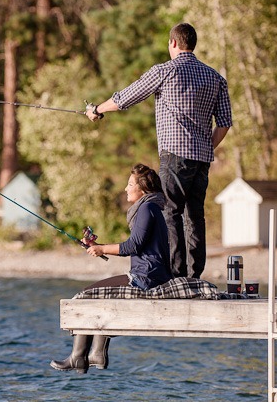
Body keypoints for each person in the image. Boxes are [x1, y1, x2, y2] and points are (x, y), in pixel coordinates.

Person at [85, 22, 232, 280]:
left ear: (173, 43)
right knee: (195, 217)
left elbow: (126, 98)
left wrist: (97, 109)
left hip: (174, 155)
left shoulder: (165, 71)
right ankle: (193, 276)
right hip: (202, 159)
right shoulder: (216, 78)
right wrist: (206, 147)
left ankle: (176, 275)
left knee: (171, 212)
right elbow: (224, 123)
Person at [50, 163, 171, 375]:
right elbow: (136, 244)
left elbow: (133, 246)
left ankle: (79, 357)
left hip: (146, 278)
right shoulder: (149, 207)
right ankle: (95, 353)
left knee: (85, 296)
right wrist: (96, 247)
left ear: (142, 189)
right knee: (94, 295)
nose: (126, 188)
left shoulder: (147, 207)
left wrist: (102, 248)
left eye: (130, 184)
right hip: (148, 274)